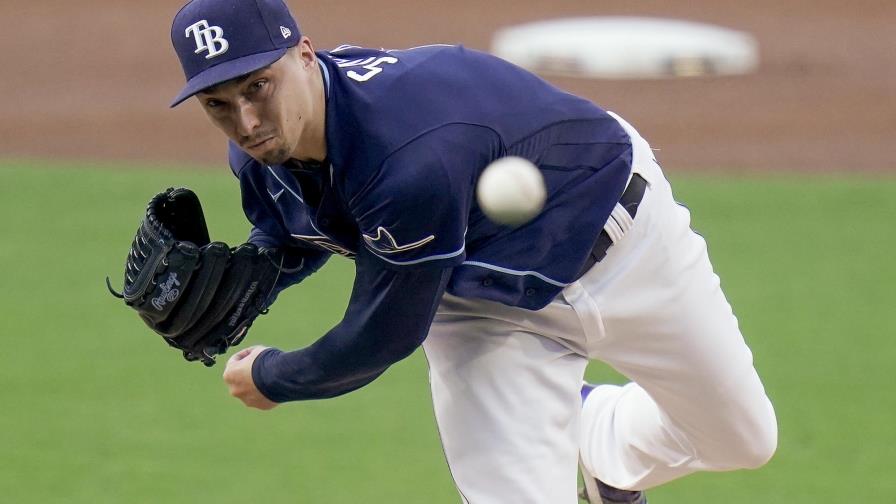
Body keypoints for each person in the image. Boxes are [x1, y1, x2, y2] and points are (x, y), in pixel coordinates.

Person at [169, 0, 778, 502]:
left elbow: (380, 336)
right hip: (481, 309)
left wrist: (276, 376)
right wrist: (260, 275)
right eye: (218, 104)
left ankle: (597, 436)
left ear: (305, 55)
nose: (247, 123)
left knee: (742, 440)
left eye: (258, 87)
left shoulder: (409, 158)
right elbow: (298, 231)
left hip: (629, 249)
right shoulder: (261, 157)